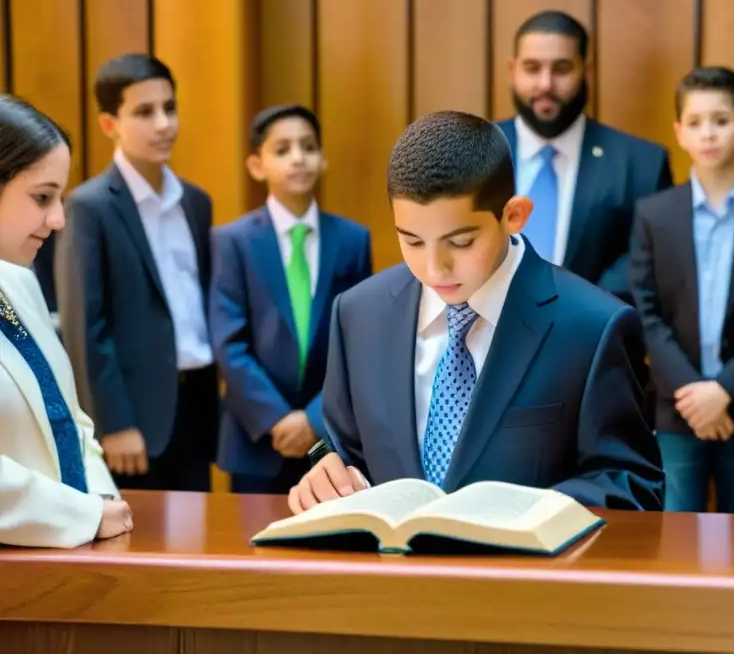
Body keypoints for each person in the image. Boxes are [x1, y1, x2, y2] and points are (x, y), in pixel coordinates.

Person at [287, 110, 663, 514]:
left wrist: (516, 515)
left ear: (514, 215)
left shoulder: (592, 327)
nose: (434, 269)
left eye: (461, 242)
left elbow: (632, 485)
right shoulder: (359, 313)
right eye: (412, 241)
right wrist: (327, 473)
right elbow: (347, 451)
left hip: (526, 572)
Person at [55, 53, 219, 492]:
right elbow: (85, 326)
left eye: (170, 107)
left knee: (195, 540)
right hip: (134, 417)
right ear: (110, 124)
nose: (164, 123)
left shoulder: (196, 202)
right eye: (145, 112)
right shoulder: (90, 207)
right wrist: (114, 422)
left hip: (195, 404)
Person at [630, 67, 734, 514]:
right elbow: (645, 311)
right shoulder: (654, 214)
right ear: (679, 132)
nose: (708, 134)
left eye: (721, 120)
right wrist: (692, 392)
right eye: (695, 122)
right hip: (676, 409)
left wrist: (727, 390)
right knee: (677, 540)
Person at [210, 104, 372, 494]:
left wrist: (314, 419)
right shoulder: (233, 241)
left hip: (328, 436)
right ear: (256, 166)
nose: (298, 157)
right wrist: (277, 419)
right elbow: (229, 343)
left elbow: (359, 341)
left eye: (308, 147)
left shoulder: (352, 240)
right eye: (282, 150)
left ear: (322, 159)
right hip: (256, 438)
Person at [0, 95, 133, 548]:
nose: (58, 219)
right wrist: (83, 514)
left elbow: (70, 417)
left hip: (70, 557)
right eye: (42, 197)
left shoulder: (20, 281)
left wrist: (100, 495)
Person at [496, 10, 673, 304]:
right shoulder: (472, 152)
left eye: (561, 68)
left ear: (586, 71)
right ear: (512, 69)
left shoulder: (642, 165)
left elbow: (648, 258)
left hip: (595, 338)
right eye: (532, 68)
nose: (545, 84)